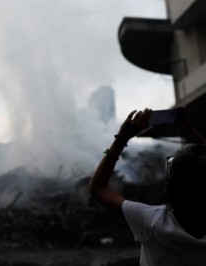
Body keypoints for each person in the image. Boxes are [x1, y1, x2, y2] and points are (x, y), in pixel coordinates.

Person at [88, 107, 206, 265]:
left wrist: (121, 138)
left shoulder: (153, 222)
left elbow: (97, 187)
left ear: (167, 189)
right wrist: (190, 129)